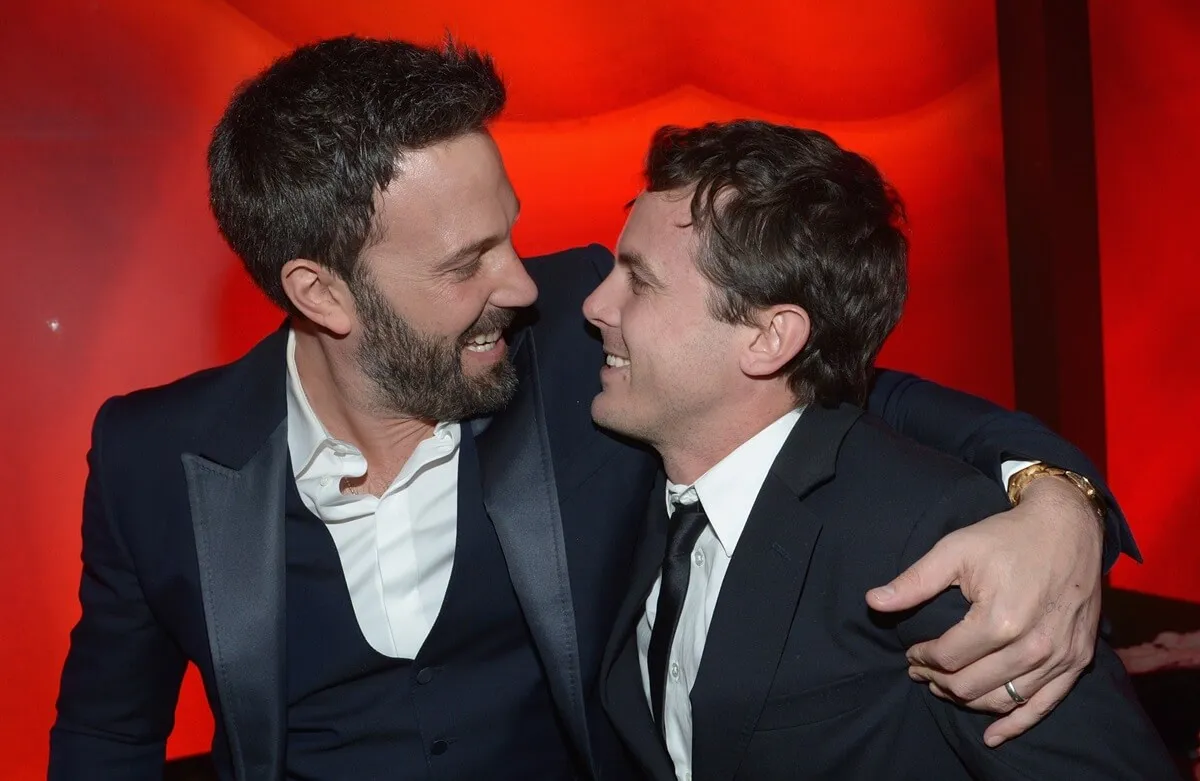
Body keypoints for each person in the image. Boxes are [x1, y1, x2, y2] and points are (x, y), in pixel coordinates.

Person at [50, 37, 1138, 780]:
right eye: (468, 260)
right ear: (320, 291)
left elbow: (839, 393)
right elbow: (104, 733)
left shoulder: (588, 346)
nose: (523, 285)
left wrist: (1055, 498)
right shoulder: (157, 455)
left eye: (510, 233)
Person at [591, 120, 1176, 780]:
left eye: (636, 280)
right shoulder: (628, 456)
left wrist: (1063, 496)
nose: (592, 304)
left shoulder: (927, 537)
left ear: (768, 339)